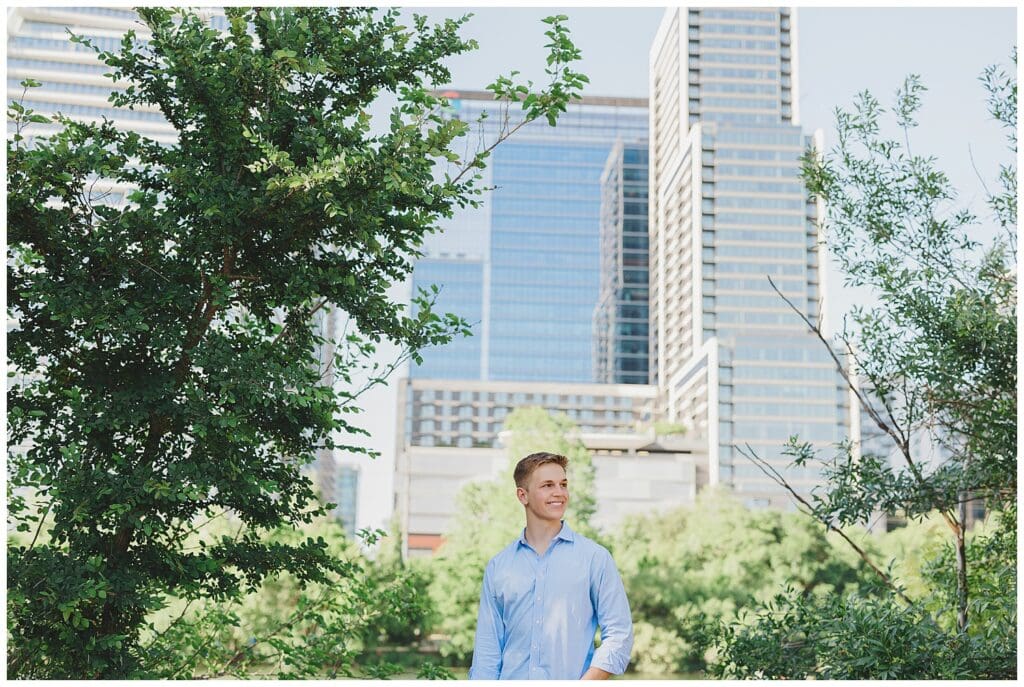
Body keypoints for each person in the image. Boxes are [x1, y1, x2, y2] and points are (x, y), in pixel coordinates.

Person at [468, 451, 634, 680]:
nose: (559, 493)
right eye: (547, 485)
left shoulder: (595, 559)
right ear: (522, 495)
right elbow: (488, 651)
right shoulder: (499, 566)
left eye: (563, 484)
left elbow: (619, 635)